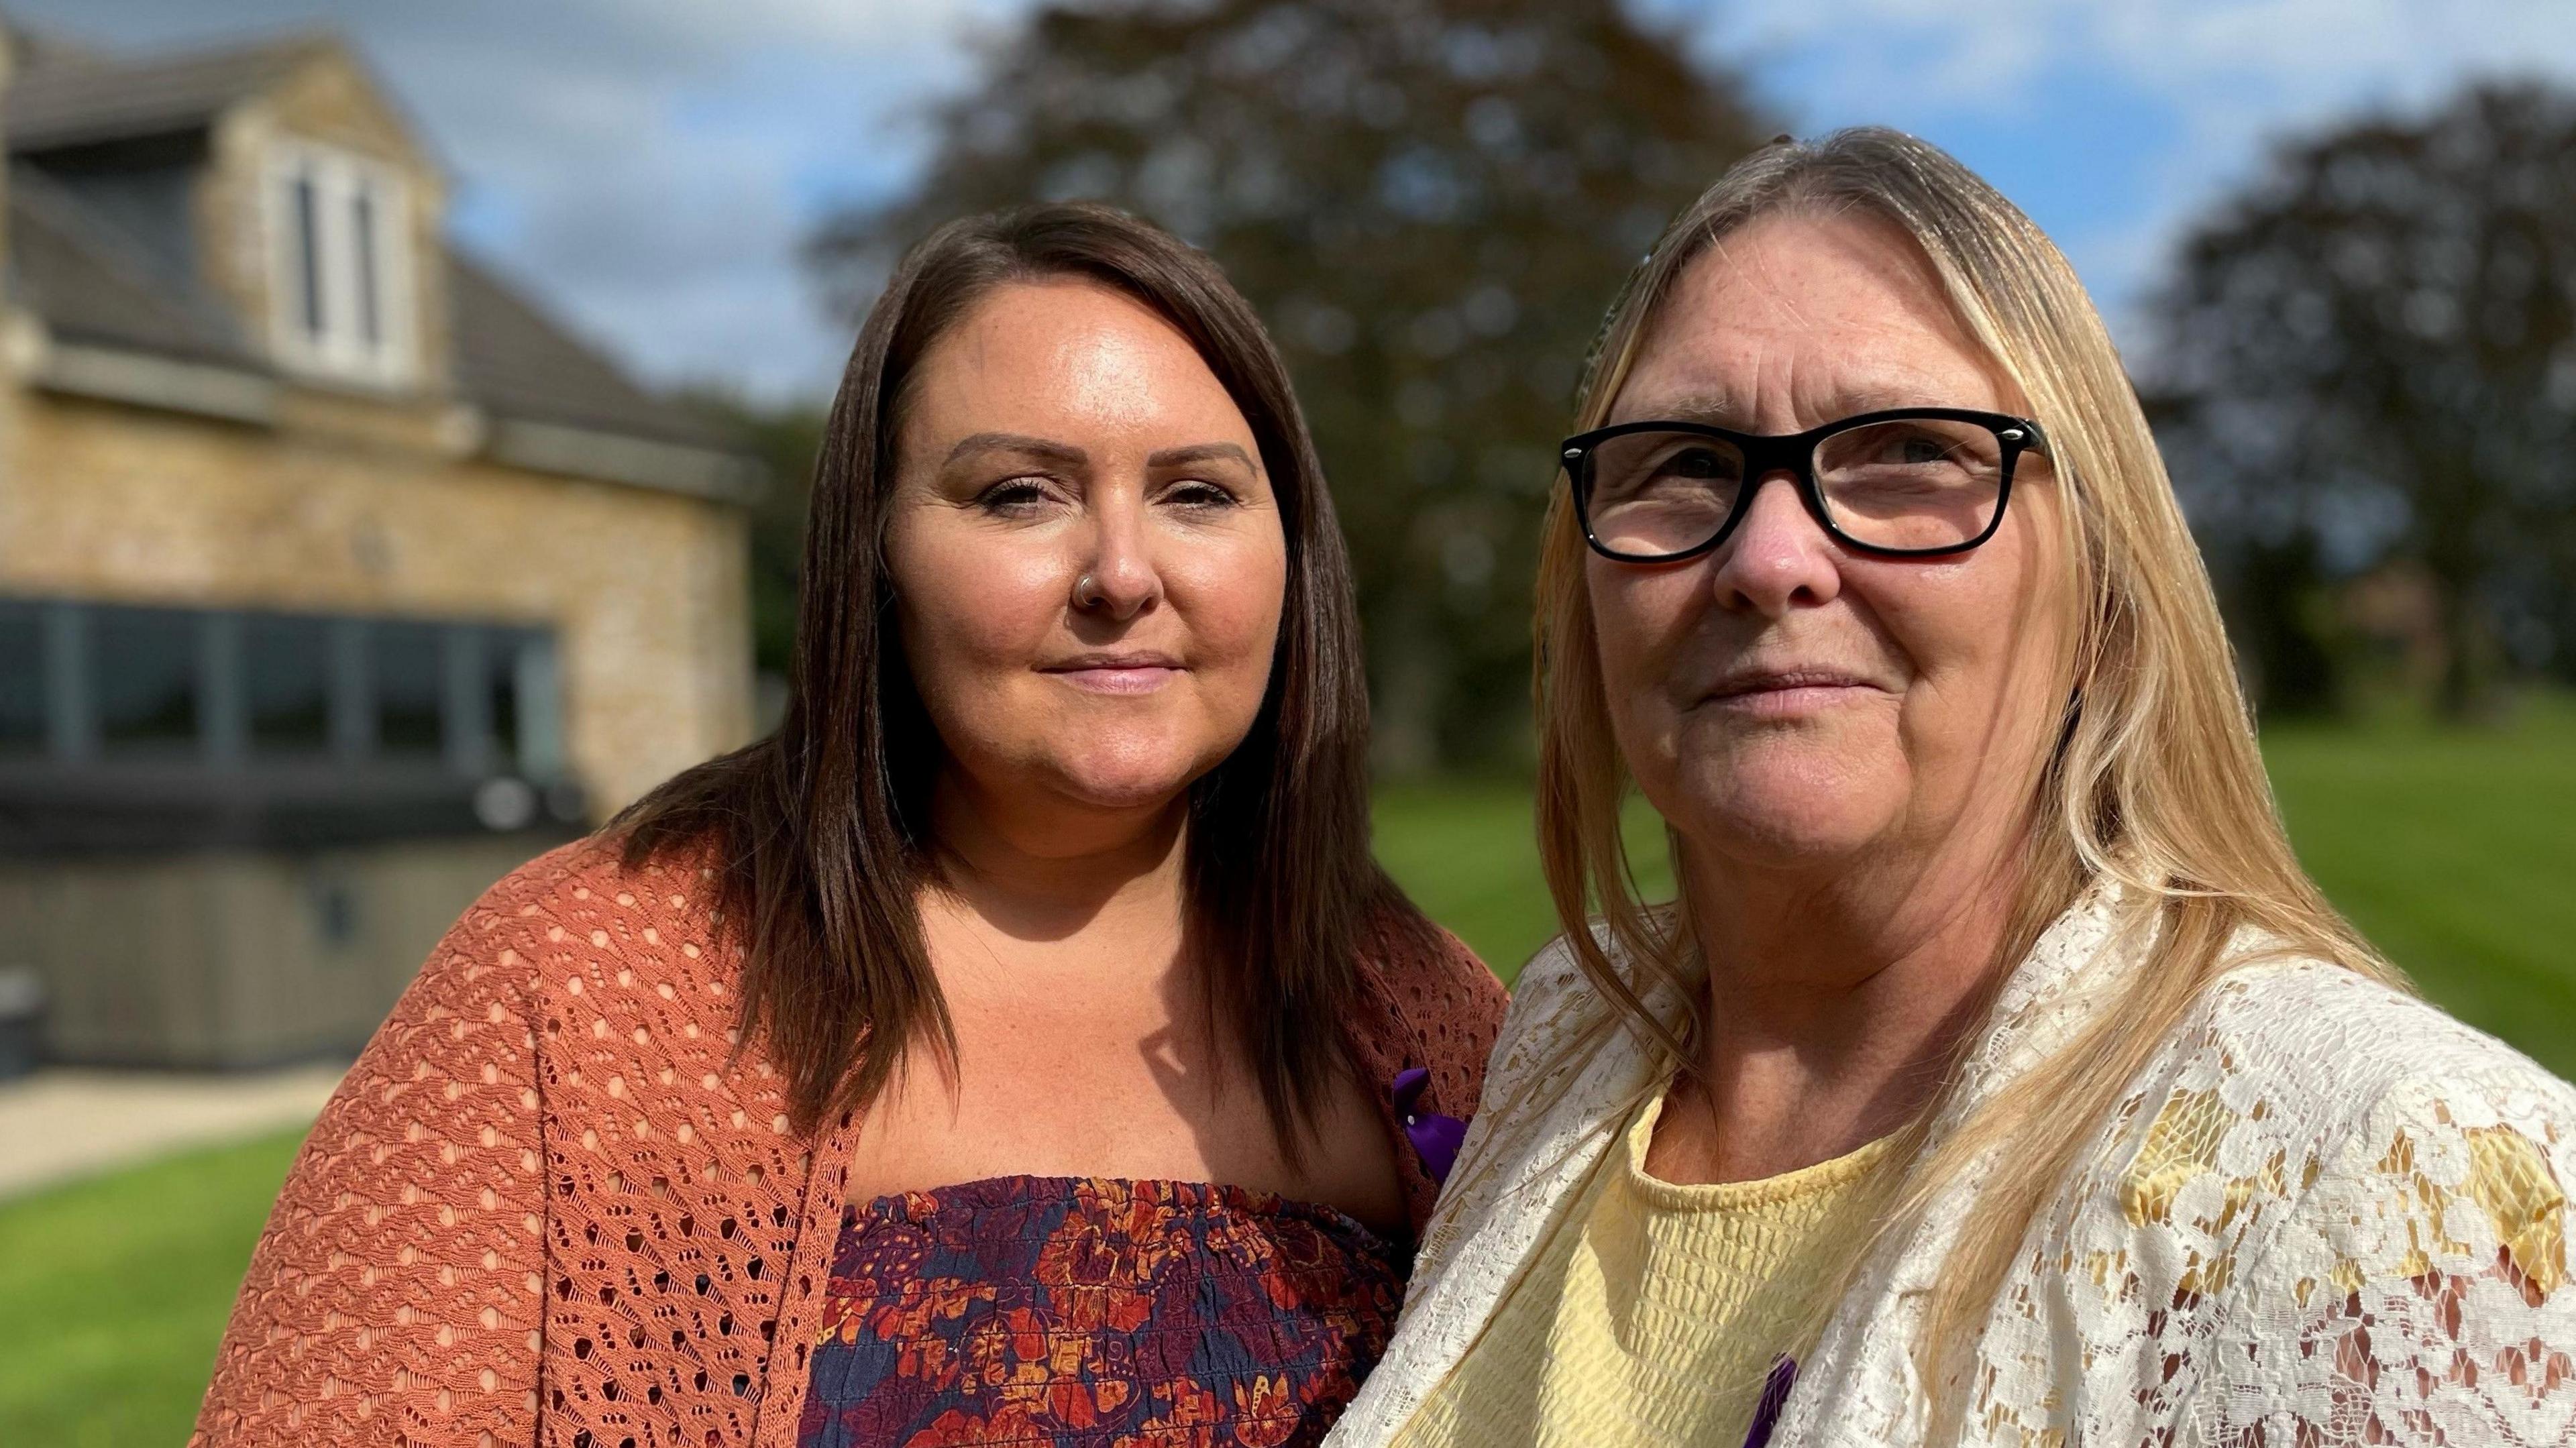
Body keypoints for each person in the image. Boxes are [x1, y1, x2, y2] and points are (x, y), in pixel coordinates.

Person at [1332, 129, 2576, 1448]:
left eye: (1910, 453)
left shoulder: (2413, 1179)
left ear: (2101, 584)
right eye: (1681, 464)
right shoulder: (1564, 1038)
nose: (1768, 557)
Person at [193, 203, 1505, 1448]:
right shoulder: (571, 993)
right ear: (874, 553)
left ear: (1294, 553)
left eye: (1199, 494)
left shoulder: (1441, 1026)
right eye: (1019, 495)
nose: (1121, 574)